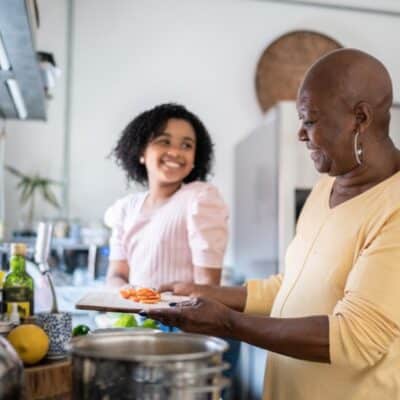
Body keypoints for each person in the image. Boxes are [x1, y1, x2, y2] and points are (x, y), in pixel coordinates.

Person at [147, 49, 400, 400]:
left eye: (310, 120)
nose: (300, 133)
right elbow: (293, 286)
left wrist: (226, 322)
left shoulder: (395, 207)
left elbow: (355, 338)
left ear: (359, 118)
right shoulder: (327, 186)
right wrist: (204, 293)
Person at [104, 103, 229, 289]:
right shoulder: (125, 209)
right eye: (164, 141)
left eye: (187, 145)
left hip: (183, 317)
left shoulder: (200, 199)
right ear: (141, 152)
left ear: (195, 157)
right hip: (132, 314)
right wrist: (131, 296)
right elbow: (116, 275)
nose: (176, 152)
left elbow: (208, 288)